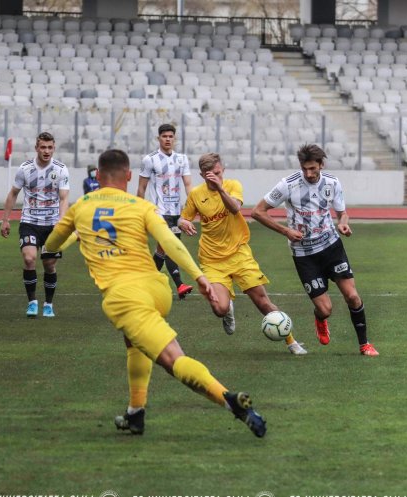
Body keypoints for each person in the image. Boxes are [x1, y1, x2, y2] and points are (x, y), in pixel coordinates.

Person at [44, 149, 266, 438]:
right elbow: (169, 242)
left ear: (97, 176)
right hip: (156, 287)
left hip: (125, 297)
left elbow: (52, 243)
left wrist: (68, 238)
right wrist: (198, 276)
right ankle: (136, 413)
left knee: (173, 360)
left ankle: (230, 400)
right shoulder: (140, 206)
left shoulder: (81, 207)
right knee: (134, 344)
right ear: (128, 176)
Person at [252, 144, 379, 357]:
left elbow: (342, 213)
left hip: (331, 246)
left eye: (313, 168)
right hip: (304, 256)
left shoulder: (332, 182)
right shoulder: (288, 185)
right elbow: (257, 212)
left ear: (321, 164)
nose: (309, 173)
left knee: (353, 296)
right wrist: (286, 231)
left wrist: (343, 223)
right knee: (325, 309)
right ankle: (320, 319)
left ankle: (364, 344)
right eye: (304, 169)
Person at [177, 153, 308, 356]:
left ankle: (292, 342)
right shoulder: (196, 194)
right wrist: (183, 223)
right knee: (219, 309)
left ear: (223, 171)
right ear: (203, 175)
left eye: (219, 173)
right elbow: (182, 218)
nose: (216, 177)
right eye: (211, 174)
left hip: (239, 254)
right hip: (212, 260)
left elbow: (234, 208)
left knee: (262, 301)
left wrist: (220, 188)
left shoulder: (232, 185)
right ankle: (227, 308)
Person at [0, 131, 70, 318]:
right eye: (43, 147)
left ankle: (48, 304)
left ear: (54, 148)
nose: (46, 151)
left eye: (49, 147)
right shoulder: (24, 169)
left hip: (52, 224)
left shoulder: (61, 169)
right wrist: (5, 219)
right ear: (36, 148)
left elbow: (64, 199)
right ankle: (32, 303)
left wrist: (61, 223)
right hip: (29, 222)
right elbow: (13, 193)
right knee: (29, 258)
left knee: (49, 264)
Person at [137, 123, 193, 300]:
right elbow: (141, 188)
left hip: (176, 212)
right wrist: (140, 211)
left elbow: (188, 184)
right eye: (164, 136)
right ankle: (180, 284)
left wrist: (192, 208)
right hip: (158, 212)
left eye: (170, 136)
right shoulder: (149, 160)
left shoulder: (182, 159)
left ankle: (146, 283)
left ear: (174, 139)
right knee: (170, 246)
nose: (167, 139)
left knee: (162, 250)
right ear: (158, 138)